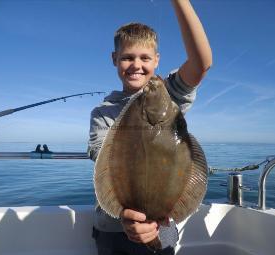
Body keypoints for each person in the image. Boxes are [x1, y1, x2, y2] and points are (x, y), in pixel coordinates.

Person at [87, 0, 212, 254]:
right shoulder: (102, 112)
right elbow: (101, 157)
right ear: (115, 59)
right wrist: (125, 214)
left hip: (161, 224)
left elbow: (201, 63)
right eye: (127, 57)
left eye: (145, 58)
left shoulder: (169, 95)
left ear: (157, 61)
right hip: (112, 227)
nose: (137, 65)